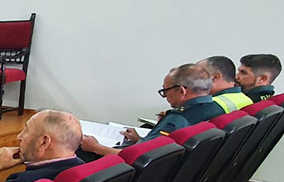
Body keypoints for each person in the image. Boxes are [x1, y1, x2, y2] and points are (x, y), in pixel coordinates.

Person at [81, 64, 223, 157]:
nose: (165, 96)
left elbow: (136, 158)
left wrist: (96, 147)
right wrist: (141, 140)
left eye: (165, 91)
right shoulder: (216, 109)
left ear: (181, 91)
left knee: (79, 151)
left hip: (139, 172)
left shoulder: (177, 119)